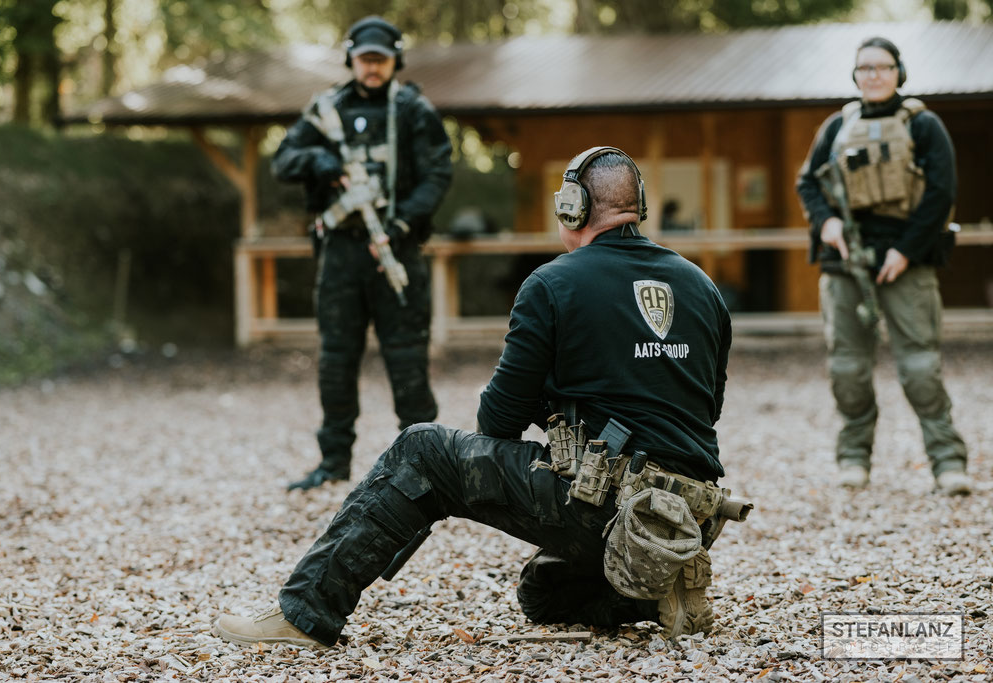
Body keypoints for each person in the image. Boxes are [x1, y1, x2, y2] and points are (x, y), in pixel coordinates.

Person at [213, 147, 744, 648]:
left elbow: (497, 423)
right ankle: (658, 587)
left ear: (572, 207)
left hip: (605, 505)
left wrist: (548, 400)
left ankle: (303, 614)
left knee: (422, 448)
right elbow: (704, 409)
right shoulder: (702, 286)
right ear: (638, 207)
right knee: (545, 592)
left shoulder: (552, 284)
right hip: (691, 516)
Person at [271, 16, 453, 491]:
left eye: (381, 60)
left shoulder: (413, 110)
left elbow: (438, 173)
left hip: (398, 248)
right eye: (365, 59)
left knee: (407, 356)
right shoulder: (326, 109)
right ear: (351, 59)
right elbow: (283, 161)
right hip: (341, 254)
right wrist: (318, 161)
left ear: (395, 61)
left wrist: (401, 223)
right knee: (336, 358)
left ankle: (426, 466)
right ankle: (333, 463)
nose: (372, 68)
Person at [796, 37, 969, 494]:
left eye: (882, 66)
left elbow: (940, 192)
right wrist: (826, 221)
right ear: (855, 75)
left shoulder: (923, 124)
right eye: (864, 68)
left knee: (920, 367)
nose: (873, 75)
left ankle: (948, 462)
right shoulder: (837, 126)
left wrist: (907, 249)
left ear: (899, 72)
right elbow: (808, 182)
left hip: (905, 263)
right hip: (845, 264)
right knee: (848, 369)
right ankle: (854, 459)